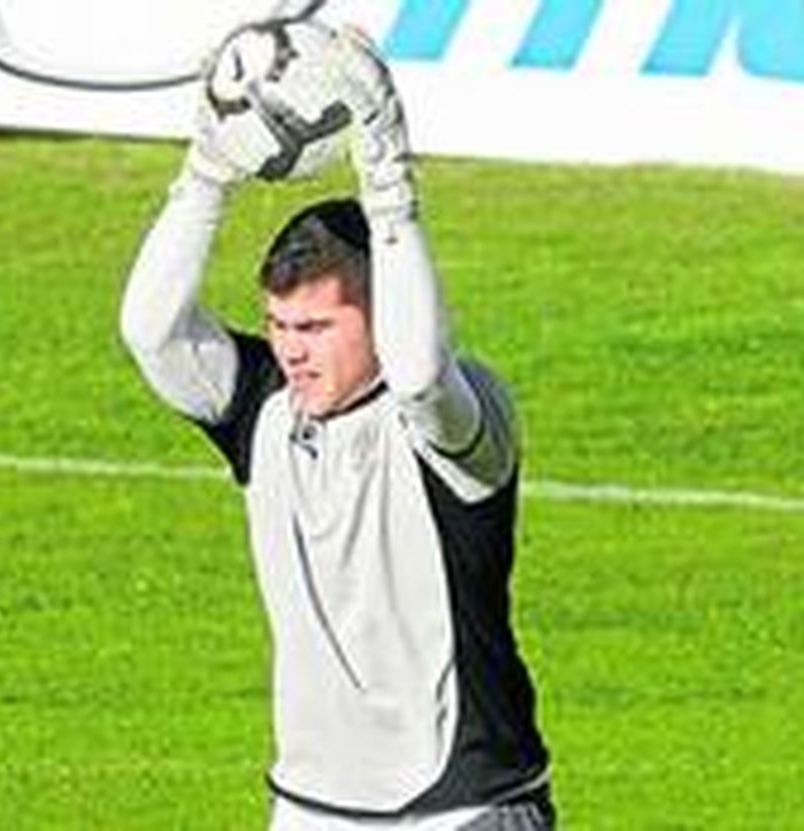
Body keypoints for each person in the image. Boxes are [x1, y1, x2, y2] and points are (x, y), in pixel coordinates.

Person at [119, 29, 554, 830]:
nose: (290, 348)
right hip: (313, 803)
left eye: (316, 326)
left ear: (380, 315)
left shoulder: (456, 427)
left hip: (462, 802)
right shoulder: (264, 408)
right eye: (279, 323)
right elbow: (151, 330)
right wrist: (209, 170)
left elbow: (421, 373)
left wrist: (385, 163)